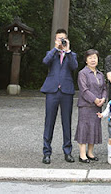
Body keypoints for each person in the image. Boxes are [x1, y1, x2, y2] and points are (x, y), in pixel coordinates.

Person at [40, 28, 78, 165]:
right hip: (52, 90)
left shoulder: (71, 54)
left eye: (63, 38)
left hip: (66, 91)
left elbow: (74, 67)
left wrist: (67, 50)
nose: (61, 40)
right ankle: (46, 152)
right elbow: (45, 62)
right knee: (49, 122)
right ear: (55, 40)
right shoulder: (51, 53)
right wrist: (56, 48)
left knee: (66, 122)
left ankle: (67, 152)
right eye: (58, 38)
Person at [75, 49, 107, 163]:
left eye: (95, 57)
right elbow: (84, 90)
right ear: (86, 60)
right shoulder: (82, 73)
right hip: (86, 105)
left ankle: (90, 152)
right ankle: (82, 154)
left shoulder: (100, 74)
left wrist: (103, 99)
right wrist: (95, 99)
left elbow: (104, 88)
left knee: (94, 128)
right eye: (90, 58)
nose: (93, 60)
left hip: (97, 106)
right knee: (84, 128)